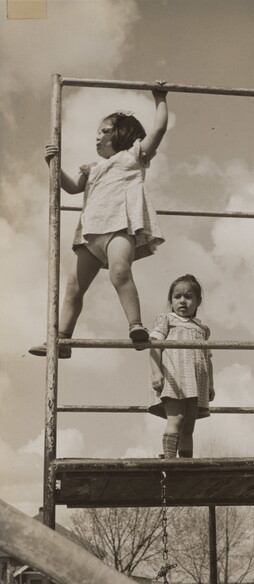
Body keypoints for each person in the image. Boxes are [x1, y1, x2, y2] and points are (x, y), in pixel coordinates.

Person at [29, 81, 169, 359]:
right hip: (90, 234)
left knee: (120, 271)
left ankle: (136, 325)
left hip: (119, 228)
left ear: (122, 134)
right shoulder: (92, 169)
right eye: (97, 132)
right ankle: (62, 339)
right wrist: (53, 164)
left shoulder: (133, 156)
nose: (97, 137)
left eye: (104, 131)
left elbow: (159, 129)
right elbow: (71, 188)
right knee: (73, 287)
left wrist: (160, 98)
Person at [149, 274, 215, 458]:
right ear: (171, 301)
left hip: (196, 382)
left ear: (198, 301)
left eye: (188, 296)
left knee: (188, 426)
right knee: (176, 419)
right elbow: (154, 347)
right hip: (174, 378)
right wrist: (156, 372)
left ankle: (186, 464)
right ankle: (170, 461)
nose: (182, 301)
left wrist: (210, 384)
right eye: (177, 297)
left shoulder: (202, 329)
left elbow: (207, 357)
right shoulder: (167, 320)